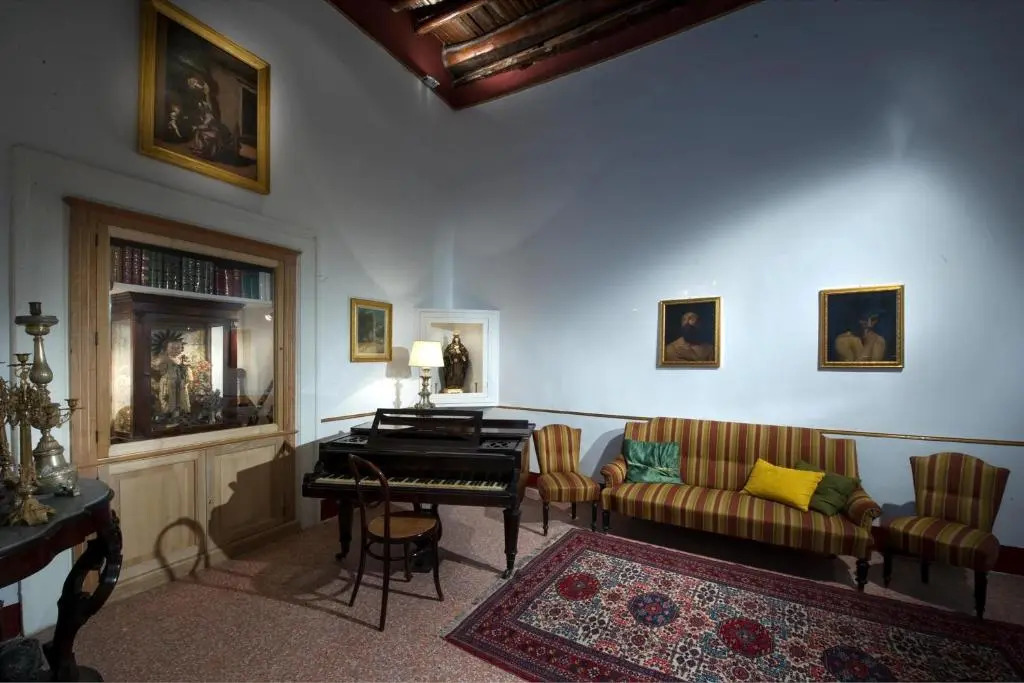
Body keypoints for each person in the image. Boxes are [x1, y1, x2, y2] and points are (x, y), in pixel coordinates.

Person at [151, 331, 192, 419]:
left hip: (181, 384)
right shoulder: (164, 359)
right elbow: (155, 366)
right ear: (166, 349)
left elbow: (187, 370)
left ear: (182, 348)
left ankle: (180, 415)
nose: (175, 350)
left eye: (178, 348)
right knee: (169, 401)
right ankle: (168, 416)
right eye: (172, 348)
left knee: (181, 401)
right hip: (168, 384)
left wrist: (187, 378)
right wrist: (161, 360)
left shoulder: (182, 359)